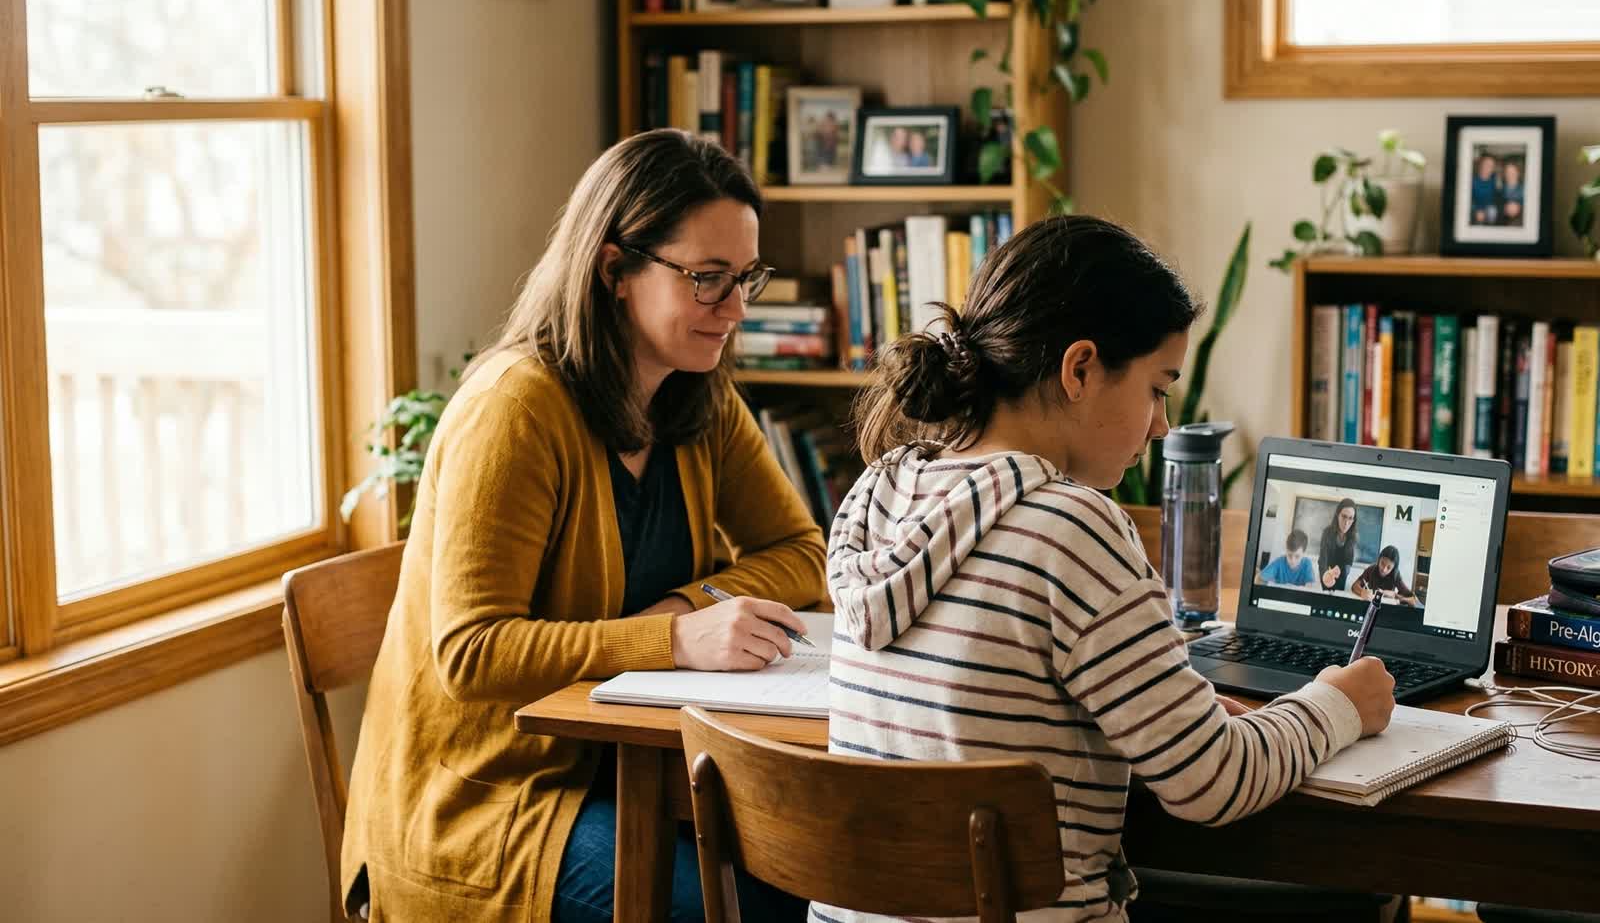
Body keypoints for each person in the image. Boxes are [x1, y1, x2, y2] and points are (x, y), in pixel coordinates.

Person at [817, 214, 1396, 922]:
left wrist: (1173, 699)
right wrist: (1338, 702)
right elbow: (1213, 782)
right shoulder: (1070, 526)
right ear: (1080, 369)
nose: (1160, 424)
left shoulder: (881, 489)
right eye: (1157, 387)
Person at [340, 129, 826, 923]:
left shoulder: (694, 393)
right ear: (615, 271)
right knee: (754, 908)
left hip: (628, 769)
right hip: (490, 805)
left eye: (746, 278)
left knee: (810, 875)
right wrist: (672, 643)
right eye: (708, 279)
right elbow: (471, 653)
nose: (735, 309)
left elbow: (802, 551)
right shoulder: (516, 410)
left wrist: (686, 606)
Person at [1352, 545, 1420, 606]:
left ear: (1393, 568)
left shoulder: (1395, 575)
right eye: (1382, 563)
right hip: (1370, 605)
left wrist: (1394, 595)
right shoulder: (1371, 569)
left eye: (1389, 567)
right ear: (1379, 560)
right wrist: (1362, 592)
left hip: (1387, 608)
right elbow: (1354, 586)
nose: (1384, 569)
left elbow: (1413, 600)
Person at [1318, 498, 1359, 592]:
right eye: (1344, 516)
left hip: (1341, 578)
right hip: (1327, 574)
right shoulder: (1327, 533)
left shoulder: (1353, 537)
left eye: (1350, 518)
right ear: (1337, 515)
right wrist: (1326, 576)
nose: (1346, 523)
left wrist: (1343, 571)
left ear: (1353, 520)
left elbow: (1349, 562)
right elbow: (1322, 560)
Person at [1470, 154, 1500, 225]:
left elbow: (1498, 199)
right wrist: (1476, 211)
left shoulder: (1496, 180)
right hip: (1476, 211)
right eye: (1486, 164)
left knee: (1492, 211)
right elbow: (1468, 200)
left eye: (1491, 166)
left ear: (1493, 168)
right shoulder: (1472, 181)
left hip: (1490, 212)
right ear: (1481, 165)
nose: (1488, 168)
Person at [1500, 159, 1525, 226]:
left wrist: (1519, 207)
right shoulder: (1500, 189)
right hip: (1503, 219)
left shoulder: (1523, 189)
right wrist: (1504, 208)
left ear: (1518, 173)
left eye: (1512, 172)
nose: (1509, 174)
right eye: (1507, 172)